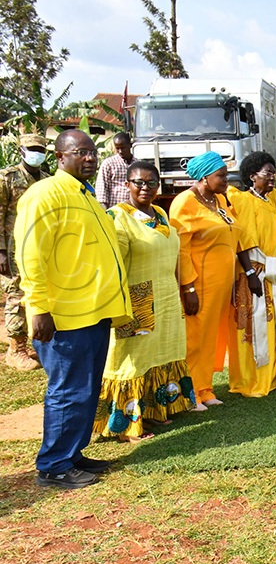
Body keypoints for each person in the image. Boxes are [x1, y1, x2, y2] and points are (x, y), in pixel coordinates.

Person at [14, 129, 132, 488]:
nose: (90, 158)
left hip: (93, 312)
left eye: (92, 152)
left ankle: (73, 453)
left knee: (85, 388)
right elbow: (30, 255)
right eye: (80, 152)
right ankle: (53, 465)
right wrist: (39, 308)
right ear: (60, 157)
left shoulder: (85, 195)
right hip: (63, 316)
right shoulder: (45, 194)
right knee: (68, 390)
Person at [93, 161, 196, 440]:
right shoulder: (117, 217)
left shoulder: (161, 214)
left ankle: (154, 410)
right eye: (138, 182)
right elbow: (113, 266)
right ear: (127, 185)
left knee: (161, 353)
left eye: (151, 183)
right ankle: (125, 424)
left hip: (165, 297)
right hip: (137, 299)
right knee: (132, 359)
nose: (145, 188)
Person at [170, 151, 262, 406]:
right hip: (198, 284)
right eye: (220, 176)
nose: (226, 180)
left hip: (222, 284)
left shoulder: (220, 201)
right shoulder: (185, 203)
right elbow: (181, 249)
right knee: (195, 339)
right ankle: (189, 394)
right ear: (203, 177)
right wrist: (188, 287)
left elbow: (238, 236)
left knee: (212, 337)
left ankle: (205, 389)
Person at [226, 152, 276, 396]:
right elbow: (242, 241)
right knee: (253, 325)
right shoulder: (243, 200)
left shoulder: (272, 198)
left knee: (274, 322)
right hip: (252, 272)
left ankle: (273, 376)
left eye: (274, 174)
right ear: (252, 176)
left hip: (273, 270)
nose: (273, 178)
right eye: (268, 174)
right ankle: (252, 380)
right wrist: (250, 273)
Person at [0, 134, 50, 370]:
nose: (36, 152)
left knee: (38, 294)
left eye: (40, 148)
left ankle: (31, 343)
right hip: (12, 247)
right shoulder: (8, 177)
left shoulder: (48, 179)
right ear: (21, 150)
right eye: (32, 148)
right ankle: (15, 348)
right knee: (16, 295)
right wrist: (0, 250)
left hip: (41, 247)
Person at [95, 132, 134, 209]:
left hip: (134, 210)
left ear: (130, 145)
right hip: (115, 209)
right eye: (117, 148)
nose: (120, 151)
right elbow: (102, 188)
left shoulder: (138, 165)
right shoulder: (108, 163)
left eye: (123, 148)